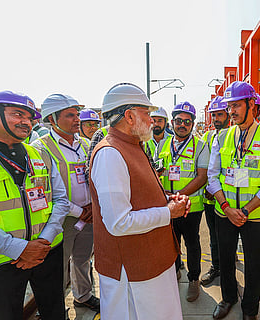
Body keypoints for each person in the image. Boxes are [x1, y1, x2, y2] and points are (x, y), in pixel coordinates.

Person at [90, 82, 189, 319]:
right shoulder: (110, 154)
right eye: (147, 113)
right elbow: (118, 223)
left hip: (149, 263)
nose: (152, 120)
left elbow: (138, 193)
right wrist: (169, 212)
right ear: (129, 116)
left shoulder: (133, 146)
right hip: (132, 272)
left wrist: (166, 199)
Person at [0, 90, 69, 319]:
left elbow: (60, 200)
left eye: (30, 117)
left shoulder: (39, 154)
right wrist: (19, 249)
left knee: (54, 311)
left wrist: (44, 240)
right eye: (18, 114)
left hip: (47, 251)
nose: (26, 122)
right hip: (1, 259)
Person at [207, 81, 260, 320]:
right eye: (230, 106)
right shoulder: (222, 137)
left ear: (252, 104)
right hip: (226, 214)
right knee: (227, 260)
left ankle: (250, 309)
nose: (231, 111)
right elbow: (212, 176)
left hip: (257, 216)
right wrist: (228, 208)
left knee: (253, 264)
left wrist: (246, 210)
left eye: (237, 105)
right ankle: (228, 298)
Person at [32, 94, 100, 312]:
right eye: (70, 115)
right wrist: (79, 211)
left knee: (82, 260)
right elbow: (43, 192)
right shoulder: (40, 149)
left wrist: (90, 209)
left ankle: (83, 295)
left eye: (77, 114)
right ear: (52, 119)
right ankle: (54, 308)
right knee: (58, 267)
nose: (77, 119)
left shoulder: (86, 144)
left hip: (88, 217)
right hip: (61, 220)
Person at [154, 101, 209, 302]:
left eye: (187, 121)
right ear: (172, 122)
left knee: (192, 244)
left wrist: (179, 196)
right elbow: (156, 170)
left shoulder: (200, 146)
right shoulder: (162, 144)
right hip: (168, 206)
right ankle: (175, 271)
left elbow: (202, 177)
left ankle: (193, 278)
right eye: (179, 121)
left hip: (191, 207)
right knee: (171, 242)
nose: (183, 125)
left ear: (193, 124)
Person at [200, 96, 230, 286]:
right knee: (214, 236)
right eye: (214, 115)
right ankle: (217, 267)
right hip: (211, 199)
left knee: (228, 238)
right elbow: (205, 166)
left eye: (220, 114)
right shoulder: (207, 137)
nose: (216, 119)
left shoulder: (235, 136)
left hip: (230, 199)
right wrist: (210, 189)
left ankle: (227, 264)